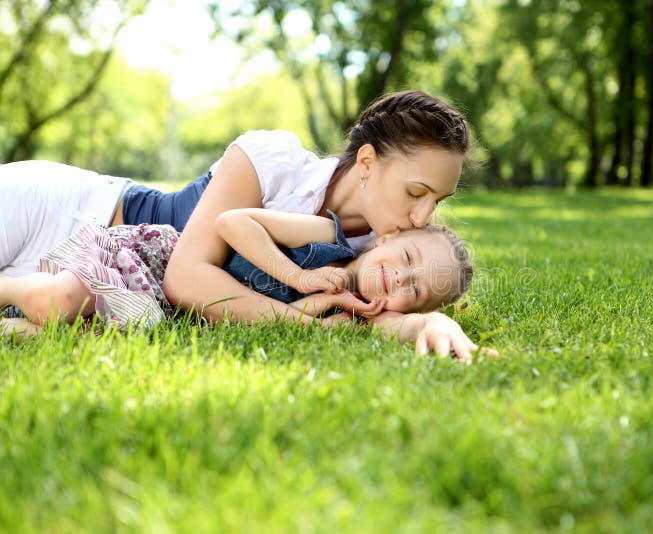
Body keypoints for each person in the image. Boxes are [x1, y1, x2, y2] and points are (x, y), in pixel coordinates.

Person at [0, 90, 491, 359]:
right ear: (367, 162)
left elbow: (381, 318)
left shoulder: (373, 253)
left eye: (437, 201)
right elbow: (185, 279)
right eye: (415, 193)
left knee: (58, 321)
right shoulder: (276, 160)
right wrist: (297, 318)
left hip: (98, 289)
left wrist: (430, 319)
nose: (423, 217)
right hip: (78, 214)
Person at [0, 207, 474, 358]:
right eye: (407, 258)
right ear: (387, 237)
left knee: (46, 333)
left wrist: (429, 323)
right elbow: (231, 222)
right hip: (153, 262)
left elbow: (400, 328)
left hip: (155, 313)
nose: (399, 277)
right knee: (60, 300)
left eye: (414, 290)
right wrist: (299, 278)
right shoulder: (325, 235)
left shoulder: (350, 315)